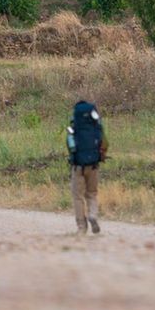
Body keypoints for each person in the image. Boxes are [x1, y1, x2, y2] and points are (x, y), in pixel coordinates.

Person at [66, 100, 107, 234]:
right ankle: (93, 215)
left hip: (78, 166)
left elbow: (70, 145)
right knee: (92, 194)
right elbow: (105, 143)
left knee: (78, 196)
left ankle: (81, 227)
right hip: (93, 165)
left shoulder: (73, 126)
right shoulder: (96, 127)